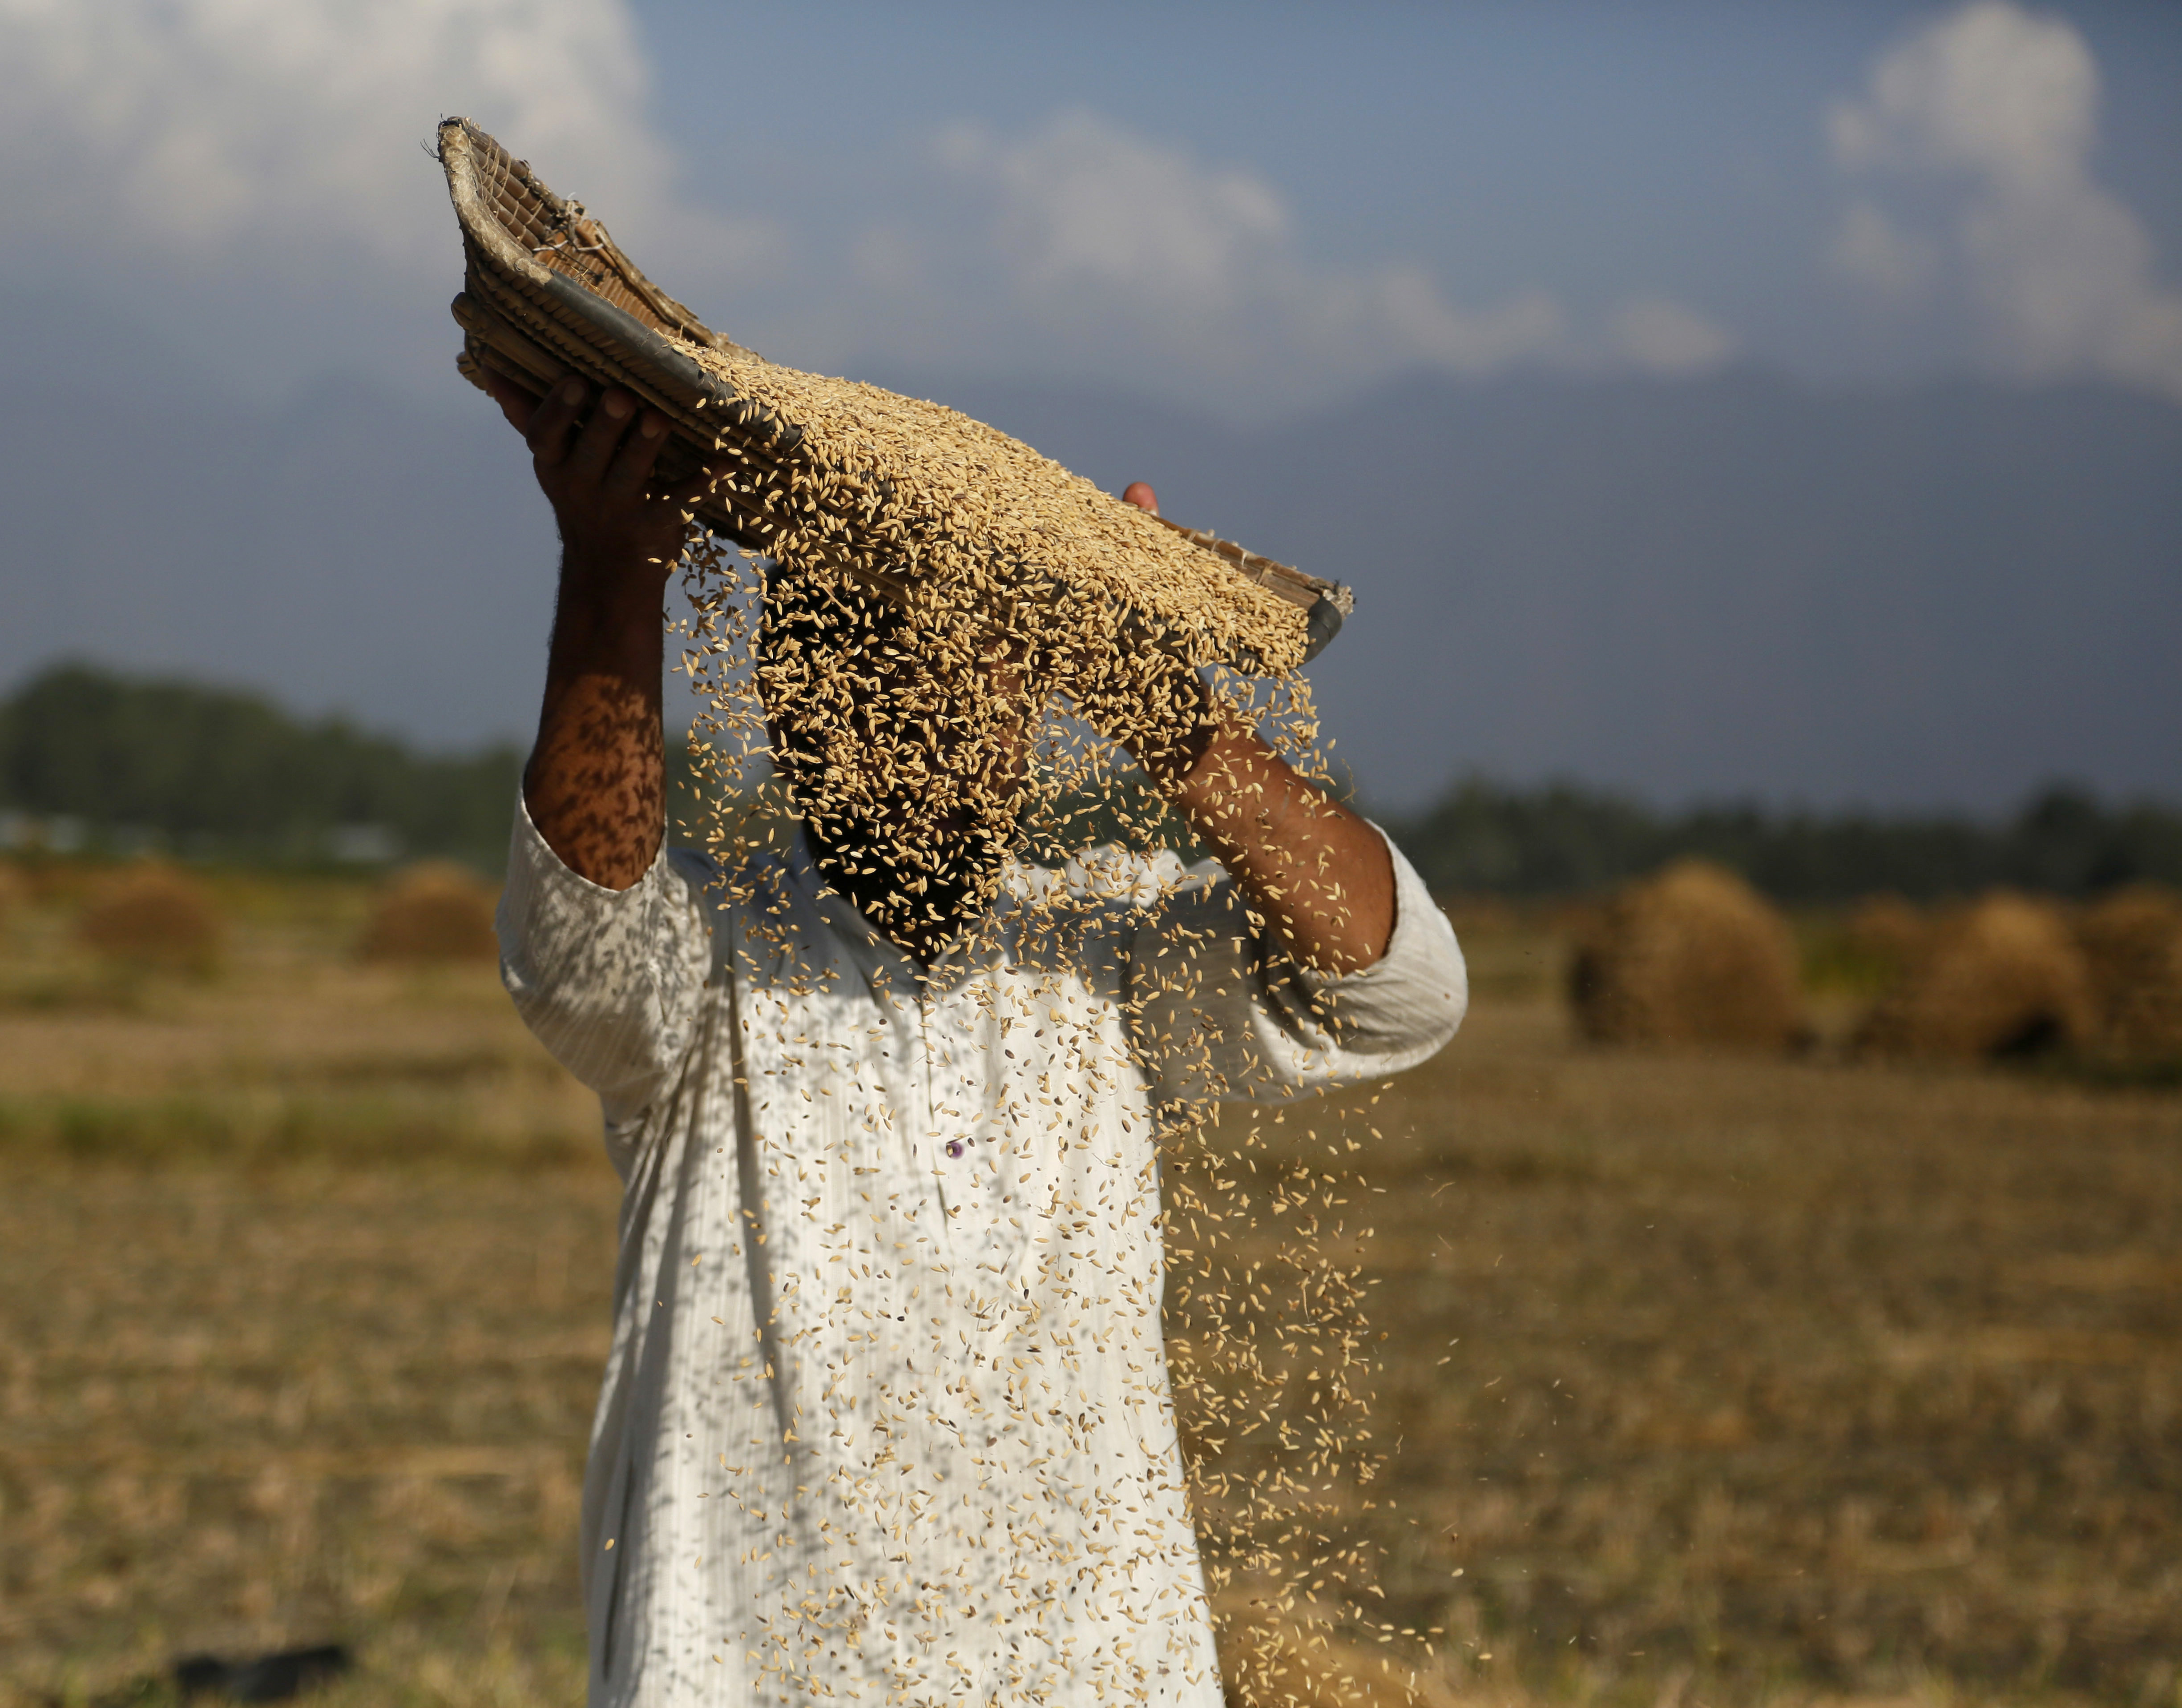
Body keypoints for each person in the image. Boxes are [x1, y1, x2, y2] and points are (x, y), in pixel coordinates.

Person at [485, 372, 1468, 1707]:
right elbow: (580, 952)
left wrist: (1166, 711)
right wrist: (615, 566)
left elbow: (1397, 990)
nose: (931, 730)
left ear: (1035, 713)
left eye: (983, 676)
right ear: (796, 712)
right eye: (877, 677)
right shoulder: (718, 966)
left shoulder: (1103, 951)